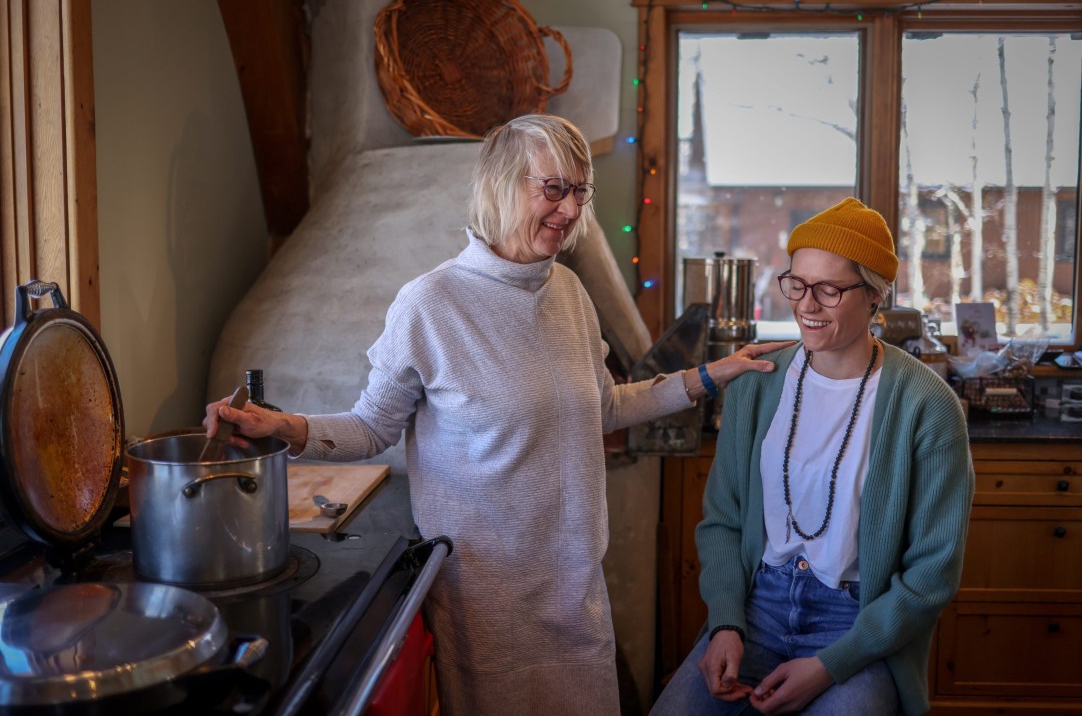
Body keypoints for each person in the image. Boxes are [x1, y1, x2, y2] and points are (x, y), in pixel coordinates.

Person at [203, 114, 791, 716]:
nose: (569, 210)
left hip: (575, 583)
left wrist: (708, 377)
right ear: (502, 185)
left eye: (579, 191)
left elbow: (606, 407)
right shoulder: (430, 303)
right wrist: (284, 427)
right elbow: (372, 427)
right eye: (553, 188)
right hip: (487, 598)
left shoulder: (568, 292)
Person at [650, 198, 974, 716]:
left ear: (874, 295)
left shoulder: (927, 405)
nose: (806, 304)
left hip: (856, 626)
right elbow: (723, 523)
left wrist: (830, 664)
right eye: (796, 284)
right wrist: (726, 623)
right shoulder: (758, 384)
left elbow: (931, 575)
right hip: (757, 609)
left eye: (829, 288)